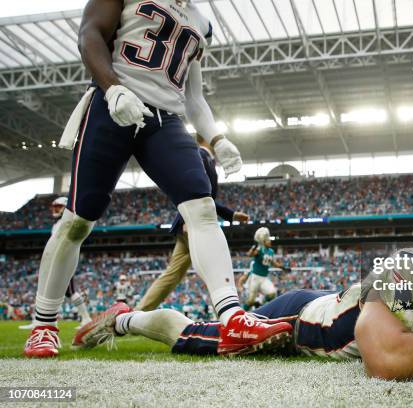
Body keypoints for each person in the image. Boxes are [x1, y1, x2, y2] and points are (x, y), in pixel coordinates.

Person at [24, 0, 292, 358]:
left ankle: (232, 317)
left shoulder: (201, 21)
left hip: (165, 119)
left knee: (202, 208)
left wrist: (217, 138)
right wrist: (113, 86)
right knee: (77, 221)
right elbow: (90, 35)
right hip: (112, 104)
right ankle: (44, 324)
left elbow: (194, 96)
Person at [74, 241, 413, 379]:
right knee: (206, 338)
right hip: (298, 321)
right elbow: (387, 359)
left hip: (344, 308)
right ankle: (124, 317)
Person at [135, 135, 249, 312]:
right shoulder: (200, 156)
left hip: (192, 222)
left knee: (173, 274)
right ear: (207, 140)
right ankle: (231, 314)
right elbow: (193, 192)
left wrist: (232, 215)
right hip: (194, 222)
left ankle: (137, 314)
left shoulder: (204, 158)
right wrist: (190, 219)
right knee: (216, 267)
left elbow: (205, 198)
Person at [20, 197, 92, 330]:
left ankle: (86, 318)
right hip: (58, 260)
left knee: (70, 292)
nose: (55, 209)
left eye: (58, 206)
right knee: (62, 291)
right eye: (54, 207)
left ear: (65, 207)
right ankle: (39, 320)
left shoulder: (66, 221)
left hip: (63, 260)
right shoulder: (57, 224)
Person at [238, 227, 290, 308]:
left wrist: (283, 267)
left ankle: (260, 302)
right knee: (250, 301)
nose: (270, 242)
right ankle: (242, 312)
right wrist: (253, 249)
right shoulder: (259, 249)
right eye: (268, 240)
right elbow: (250, 254)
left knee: (272, 294)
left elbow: (273, 263)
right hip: (255, 277)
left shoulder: (271, 251)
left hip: (264, 278)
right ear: (263, 241)